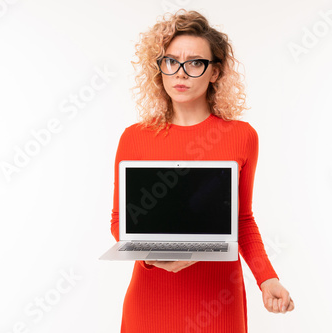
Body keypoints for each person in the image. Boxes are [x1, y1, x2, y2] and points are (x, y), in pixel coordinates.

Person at [110, 9, 294, 332]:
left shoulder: (242, 137)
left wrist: (267, 279)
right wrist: (152, 256)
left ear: (215, 72)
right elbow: (119, 221)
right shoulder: (134, 138)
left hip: (218, 304)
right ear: (160, 69)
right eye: (171, 61)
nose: (181, 73)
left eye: (195, 63)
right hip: (151, 303)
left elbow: (243, 220)